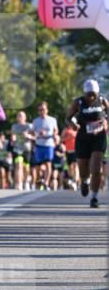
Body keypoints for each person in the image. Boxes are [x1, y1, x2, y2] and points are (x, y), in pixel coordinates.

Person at [65, 79, 109, 209]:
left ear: (97, 92)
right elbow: (68, 117)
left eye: (93, 94)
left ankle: (94, 197)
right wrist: (72, 124)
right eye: (88, 94)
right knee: (84, 171)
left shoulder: (102, 100)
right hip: (83, 139)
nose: (91, 97)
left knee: (96, 169)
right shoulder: (78, 102)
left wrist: (105, 124)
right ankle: (85, 181)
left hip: (98, 138)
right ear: (84, 93)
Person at [31, 101, 59, 190]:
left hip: (49, 144)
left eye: (43, 109)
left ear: (47, 110)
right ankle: (39, 182)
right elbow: (31, 132)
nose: (41, 111)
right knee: (38, 166)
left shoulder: (52, 120)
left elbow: (56, 130)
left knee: (48, 164)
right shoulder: (35, 121)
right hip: (39, 144)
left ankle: (46, 183)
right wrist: (37, 134)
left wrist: (54, 135)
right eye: (40, 110)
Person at [10, 111, 34, 190]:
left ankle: (26, 182)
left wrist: (29, 136)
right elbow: (12, 136)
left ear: (25, 118)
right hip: (17, 149)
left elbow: (35, 137)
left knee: (26, 168)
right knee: (18, 166)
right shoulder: (14, 126)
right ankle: (19, 183)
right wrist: (13, 139)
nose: (19, 117)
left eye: (21, 116)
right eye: (18, 116)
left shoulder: (29, 126)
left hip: (26, 149)